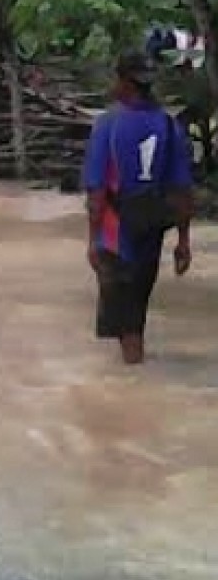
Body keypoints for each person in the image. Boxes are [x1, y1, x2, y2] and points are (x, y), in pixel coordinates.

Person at [83, 50, 194, 364]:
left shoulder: (108, 125)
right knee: (135, 316)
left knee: (126, 327)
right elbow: (182, 191)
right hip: (151, 233)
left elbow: (97, 193)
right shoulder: (169, 126)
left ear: (124, 83)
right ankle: (134, 383)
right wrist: (183, 242)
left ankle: (131, 386)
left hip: (115, 234)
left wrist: (92, 241)